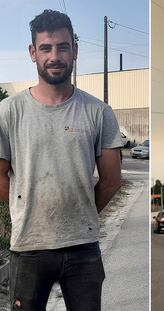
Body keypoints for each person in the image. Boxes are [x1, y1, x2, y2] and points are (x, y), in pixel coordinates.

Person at [0, 10, 123, 310]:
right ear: (33, 53)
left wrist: (81, 213)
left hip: (83, 249)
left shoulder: (98, 112)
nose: (54, 56)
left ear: (75, 50)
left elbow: (111, 180)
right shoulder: (8, 112)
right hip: (28, 247)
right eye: (45, 48)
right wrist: (23, 208)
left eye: (62, 47)